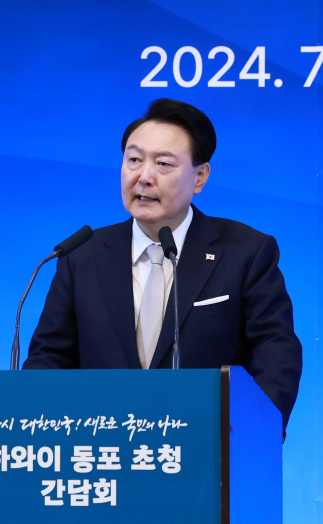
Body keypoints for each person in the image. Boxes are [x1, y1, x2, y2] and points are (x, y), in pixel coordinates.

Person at [24, 98, 303, 431]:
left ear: (200, 177)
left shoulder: (245, 252)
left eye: (163, 164)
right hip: (102, 445)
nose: (144, 177)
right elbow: (49, 358)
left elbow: (276, 352)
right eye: (134, 160)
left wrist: (251, 435)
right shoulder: (82, 255)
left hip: (206, 445)